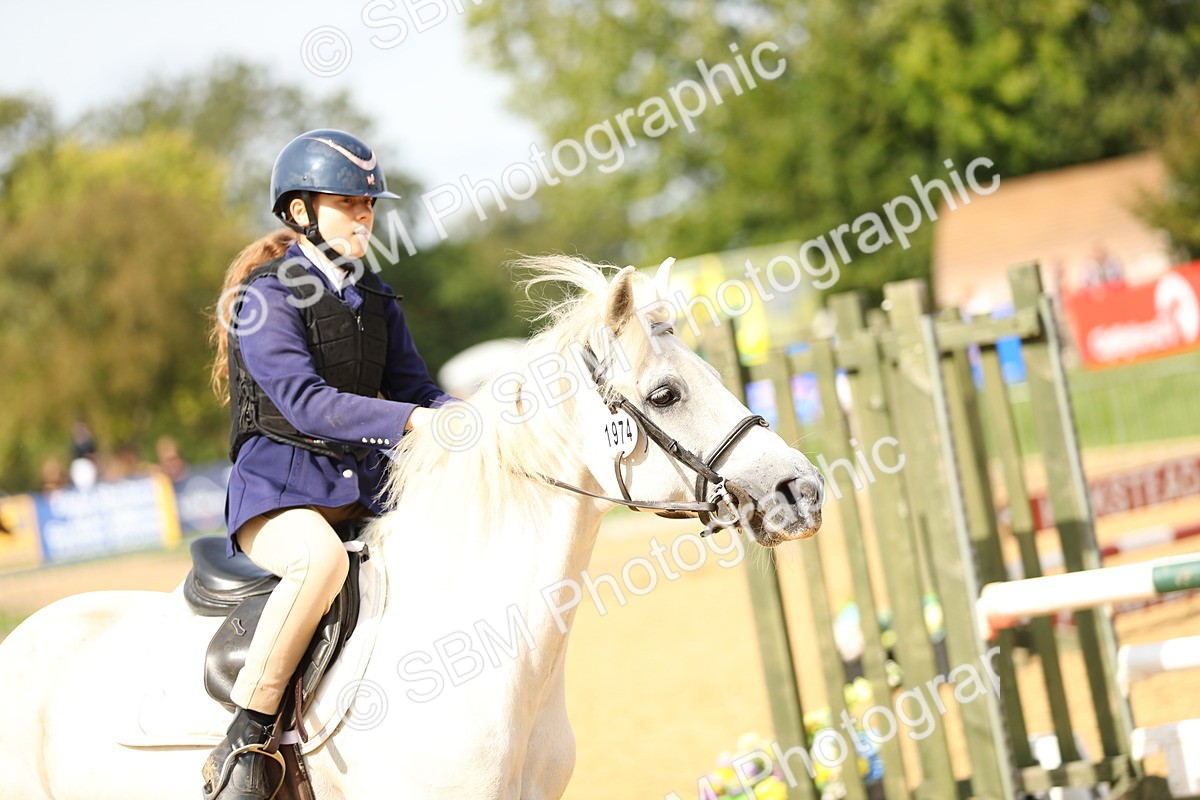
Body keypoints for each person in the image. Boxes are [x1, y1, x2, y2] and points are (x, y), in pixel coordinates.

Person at [203, 129, 453, 800]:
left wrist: (478, 418)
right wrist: (413, 421)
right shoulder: (265, 299)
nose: (365, 215)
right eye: (349, 203)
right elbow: (307, 404)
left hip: (362, 489)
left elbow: (418, 389)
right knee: (320, 562)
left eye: (369, 204)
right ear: (301, 211)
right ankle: (248, 736)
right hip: (278, 495)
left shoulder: (377, 297)